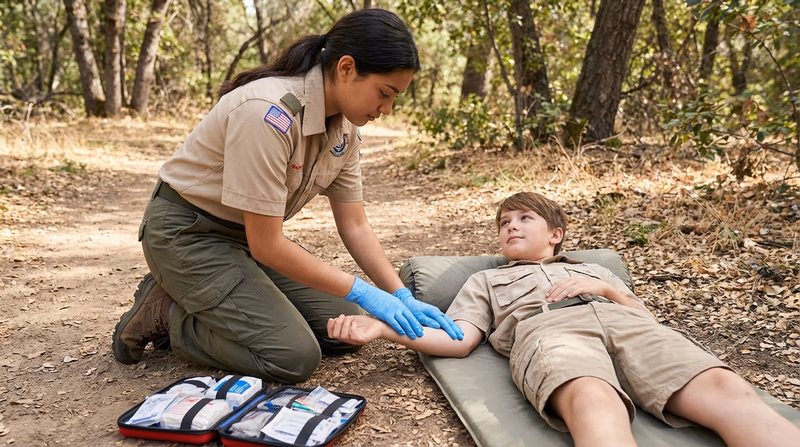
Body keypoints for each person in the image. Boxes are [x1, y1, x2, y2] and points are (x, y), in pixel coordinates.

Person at [111, 8, 463, 383]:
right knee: (292, 356)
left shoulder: (344, 129)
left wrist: (398, 293)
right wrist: (364, 291)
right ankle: (166, 313)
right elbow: (268, 245)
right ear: (346, 68)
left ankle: (222, 297)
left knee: (345, 328)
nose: (387, 109)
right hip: (187, 235)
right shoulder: (268, 113)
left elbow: (355, 225)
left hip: (243, 238)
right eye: (384, 93)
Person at [327, 192, 800, 447]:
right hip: (548, 330)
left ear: (555, 235)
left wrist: (608, 287)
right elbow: (460, 340)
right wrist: (385, 328)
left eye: (524, 218)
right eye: (503, 222)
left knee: (728, 390)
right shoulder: (486, 282)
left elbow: (647, 318)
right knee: (594, 402)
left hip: (627, 323)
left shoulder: (594, 269)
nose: (510, 225)